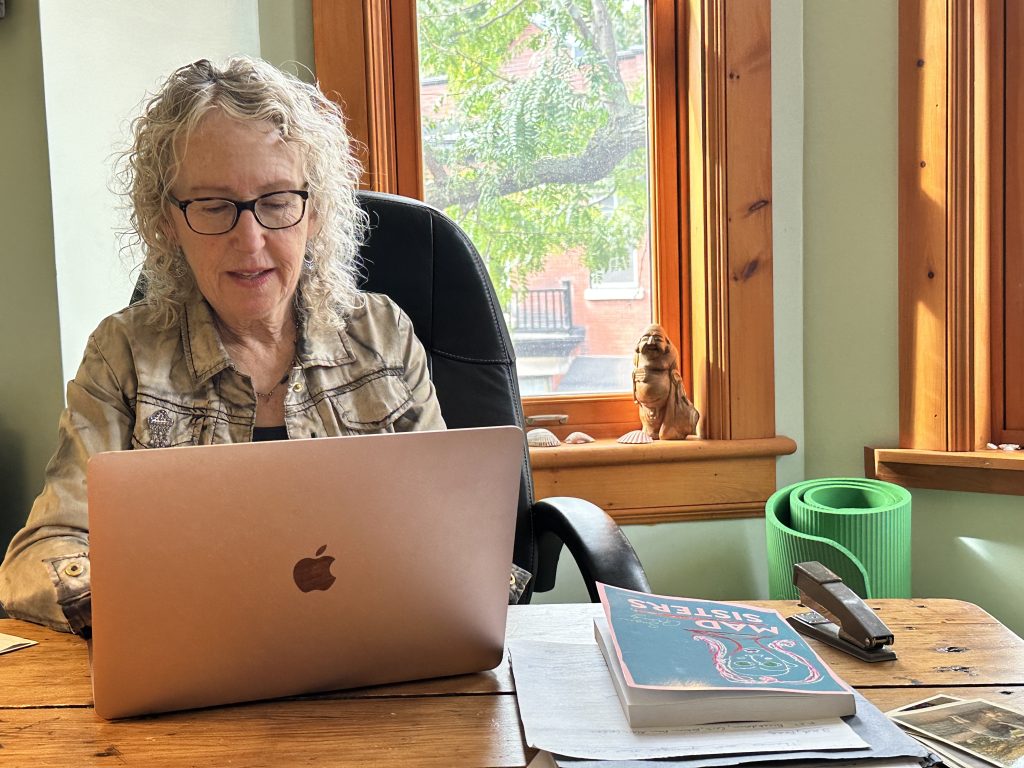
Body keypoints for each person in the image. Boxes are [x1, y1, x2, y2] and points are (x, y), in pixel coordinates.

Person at [0, 57, 445, 634]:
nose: (251, 239)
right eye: (213, 206)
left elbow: (445, 526)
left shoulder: (383, 336)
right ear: (167, 222)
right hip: (193, 672)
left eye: (277, 201)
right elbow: (36, 558)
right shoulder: (124, 357)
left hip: (376, 657)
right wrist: (148, 599)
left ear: (315, 211)